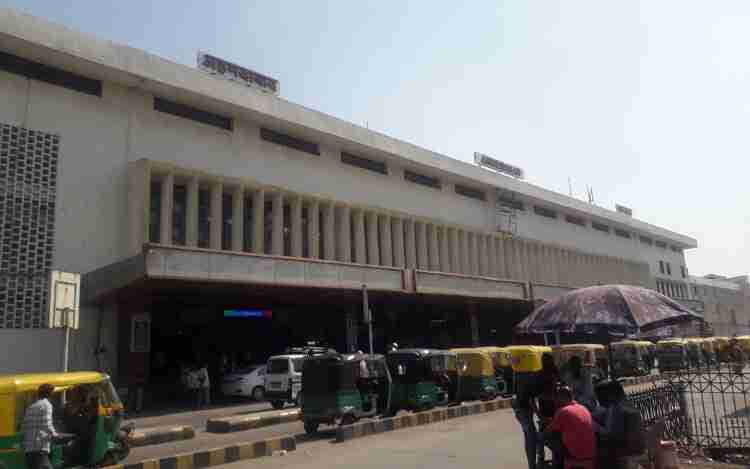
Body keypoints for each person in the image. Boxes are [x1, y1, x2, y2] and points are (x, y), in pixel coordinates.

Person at [593, 380, 645, 469]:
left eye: (599, 397)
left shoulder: (617, 408)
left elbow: (609, 432)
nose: (599, 400)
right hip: (638, 451)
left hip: (624, 455)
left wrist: (592, 423)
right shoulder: (627, 404)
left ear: (608, 395)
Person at [543, 385, 596, 469]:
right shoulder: (583, 408)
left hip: (575, 455)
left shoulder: (563, 411)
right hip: (590, 453)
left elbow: (548, 431)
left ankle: (557, 465)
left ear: (562, 397)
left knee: (546, 437)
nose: (555, 400)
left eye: (557, 397)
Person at [22, 384, 59, 469]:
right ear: (50, 394)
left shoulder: (31, 407)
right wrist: (55, 434)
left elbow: (24, 426)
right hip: (40, 446)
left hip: (29, 448)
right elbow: (47, 423)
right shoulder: (47, 405)